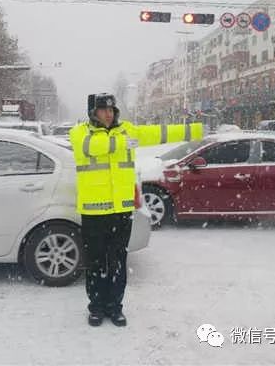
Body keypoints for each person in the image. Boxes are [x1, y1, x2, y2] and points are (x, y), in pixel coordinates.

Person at [69, 93, 203, 327]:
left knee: (118, 261)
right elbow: (93, 147)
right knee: (96, 263)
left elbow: (159, 133)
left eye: (111, 109)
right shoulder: (80, 132)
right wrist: (124, 140)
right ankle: (96, 308)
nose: (109, 113)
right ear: (93, 113)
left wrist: (196, 131)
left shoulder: (127, 130)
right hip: (94, 213)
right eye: (103, 110)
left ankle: (115, 307)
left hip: (121, 210)